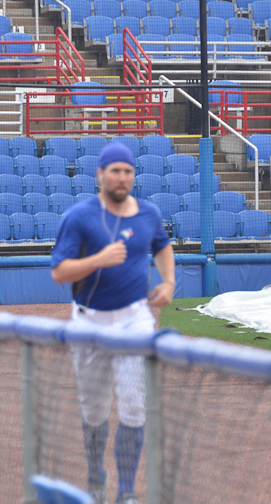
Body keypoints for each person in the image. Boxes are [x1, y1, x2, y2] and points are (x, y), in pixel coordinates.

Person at [51, 142, 175, 504]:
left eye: (127, 171)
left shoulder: (148, 213)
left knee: (135, 406)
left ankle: (126, 492)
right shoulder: (80, 216)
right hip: (90, 322)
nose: (121, 177)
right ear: (100, 175)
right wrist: (99, 259)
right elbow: (59, 272)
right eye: (114, 170)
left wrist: (168, 281)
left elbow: (162, 245)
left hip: (135, 320)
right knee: (94, 408)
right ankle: (95, 475)